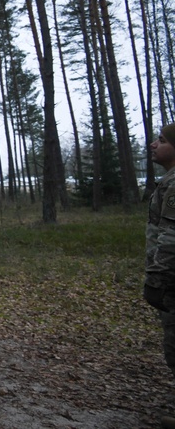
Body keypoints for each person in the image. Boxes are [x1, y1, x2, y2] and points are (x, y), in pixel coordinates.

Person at [146, 124, 175, 429]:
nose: (154, 145)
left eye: (162, 141)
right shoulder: (168, 181)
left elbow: (171, 237)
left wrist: (156, 277)